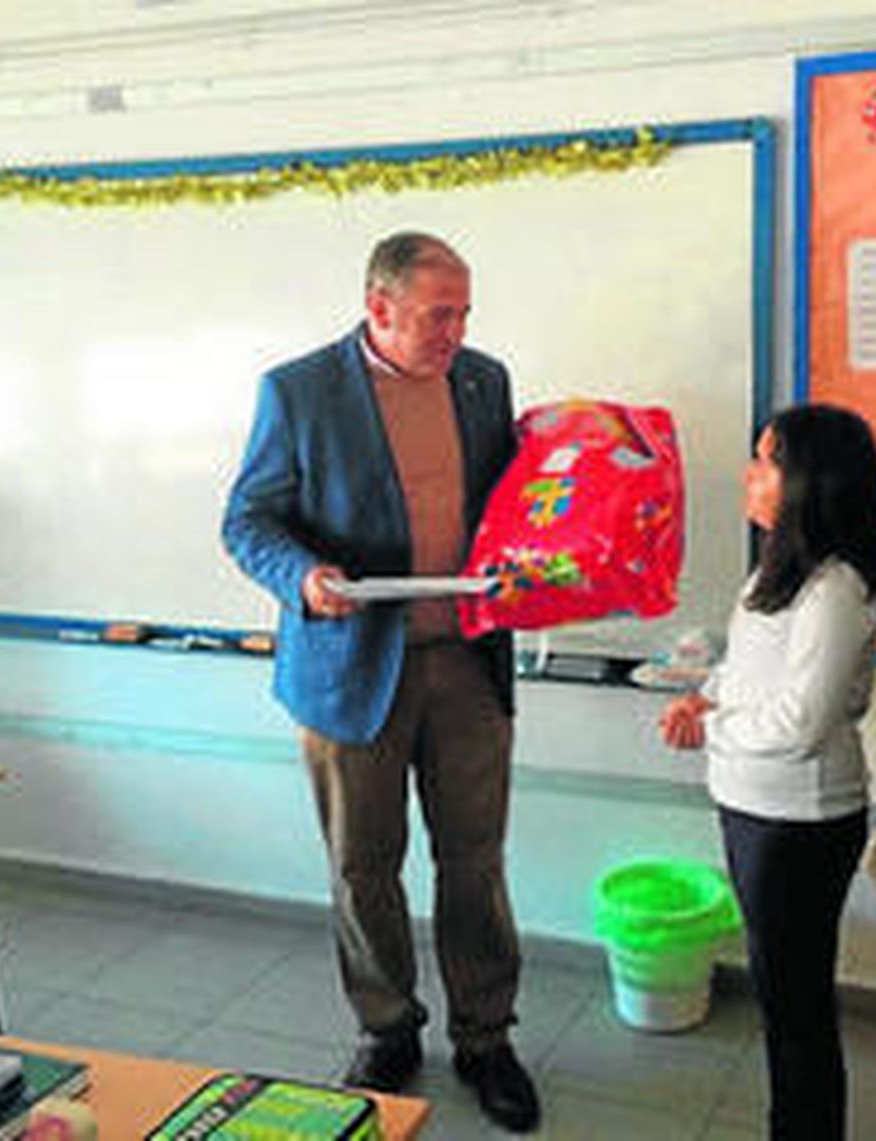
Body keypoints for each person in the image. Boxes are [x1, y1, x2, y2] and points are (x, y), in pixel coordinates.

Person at [222, 232, 539, 1133]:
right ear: (380, 308)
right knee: (364, 866)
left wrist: (532, 561)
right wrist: (304, 578)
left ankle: (487, 1036)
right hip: (350, 668)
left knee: (474, 862)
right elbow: (249, 518)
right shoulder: (299, 390)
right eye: (439, 315)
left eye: (465, 312)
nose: (456, 333)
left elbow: (506, 509)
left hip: (466, 666)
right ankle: (387, 1025)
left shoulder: (483, 380)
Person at [659, 403, 876, 1140]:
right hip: (752, 806)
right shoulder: (780, 566)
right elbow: (752, 670)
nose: (750, 473)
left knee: (795, 1008)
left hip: (798, 820)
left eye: (767, 461)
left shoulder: (837, 587)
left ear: (810, 482)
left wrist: (715, 726)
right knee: (781, 996)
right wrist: (710, 695)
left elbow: (801, 723)